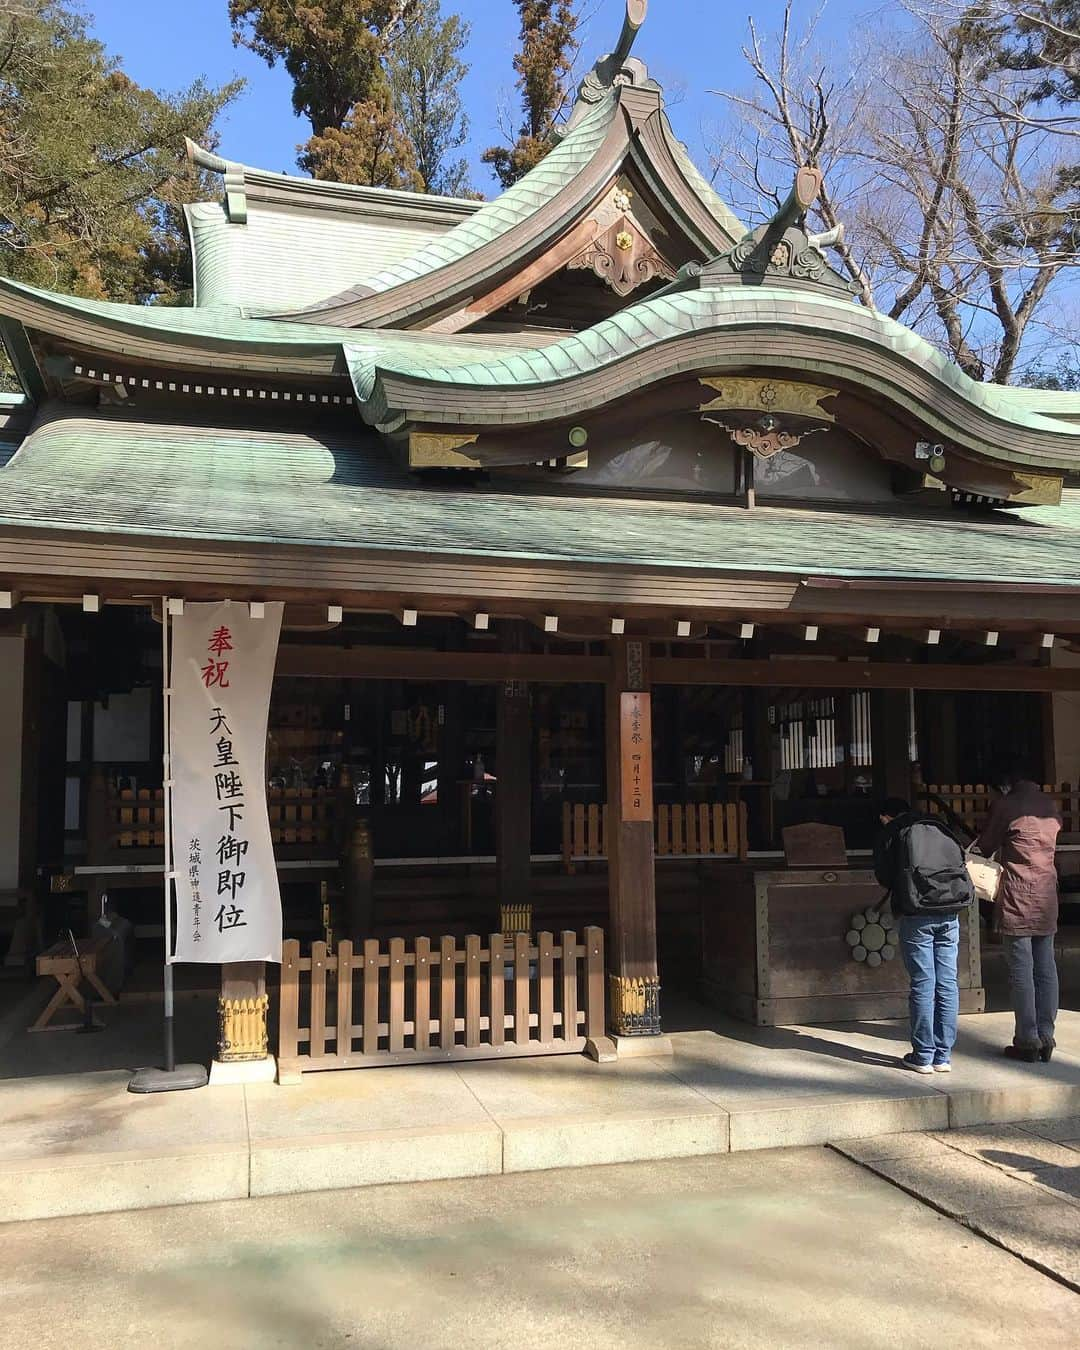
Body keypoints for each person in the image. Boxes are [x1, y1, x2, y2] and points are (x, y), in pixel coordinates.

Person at [874, 798, 975, 1074]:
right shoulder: (937, 825)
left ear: (885, 816)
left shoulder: (892, 830)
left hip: (917, 912)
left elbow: (883, 875)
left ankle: (922, 1055)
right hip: (949, 910)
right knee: (947, 983)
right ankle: (943, 1056)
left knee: (923, 983)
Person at [975, 760, 1061, 1063]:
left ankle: (1027, 1039)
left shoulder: (1008, 805)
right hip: (1047, 893)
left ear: (1003, 785)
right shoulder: (1049, 804)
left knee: (1021, 970)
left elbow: (985, 846)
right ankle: (1046, 1035)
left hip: (1017, 894)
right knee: (1046, 968)